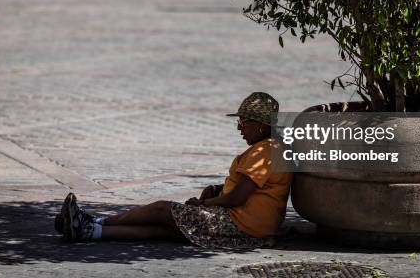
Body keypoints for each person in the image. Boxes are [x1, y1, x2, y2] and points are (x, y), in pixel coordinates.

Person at [55, 92, 293, 249]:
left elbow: (238, 197)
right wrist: (217, 190)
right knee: (161, 229)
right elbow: (256, 188)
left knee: (162, 209)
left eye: (244, 122)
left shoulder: (266, 151)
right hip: (252, 229)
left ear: (262, 126)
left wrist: (202, 206)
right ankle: (90, 231)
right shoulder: (273, 147)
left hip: (240, 226)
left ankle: (96, 221)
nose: (240, 128)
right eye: (238, 122)